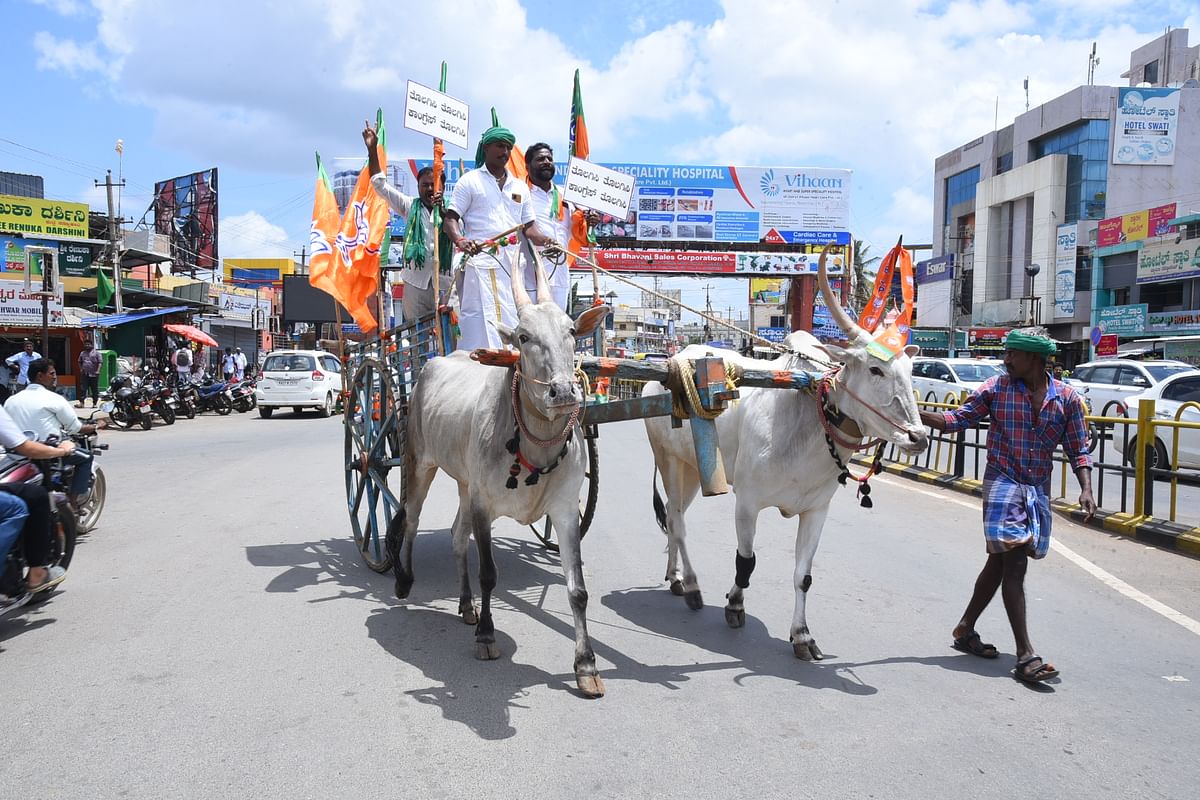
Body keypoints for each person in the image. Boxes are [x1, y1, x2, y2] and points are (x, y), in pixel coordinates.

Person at [919, 330, 1095, 685]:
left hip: (1036, 489)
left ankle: (965, 627)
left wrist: (1086, 488)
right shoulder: (996, 388)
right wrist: (911, 413)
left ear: (1034, 359)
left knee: (999, 562)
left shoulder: (1067, 399)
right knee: (1013, 561)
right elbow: (957, 420)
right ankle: (1026, 655)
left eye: (1013, 353)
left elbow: (1079, 448)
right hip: (1001, 482)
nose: (1007, 359)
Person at [442, 125, 554, 350]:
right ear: (486, 148)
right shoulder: (470, 181)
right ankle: (474, 366)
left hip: (511, 268)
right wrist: (461, 241)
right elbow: (450, 220)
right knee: (478, 320)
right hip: (479, 263)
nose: (504, 151)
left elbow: (529, 228)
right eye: (499, 146)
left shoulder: (520, 188)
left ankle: (509, 373)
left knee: (513, 318)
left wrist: (547, 241)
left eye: (508, 147)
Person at [363, 124, 447, 323]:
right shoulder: (410, 206)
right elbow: (379, 184)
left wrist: (443, 211)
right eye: (424, 185)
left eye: (433, 184)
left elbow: (460, 233)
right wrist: (372, 149)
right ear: (417, 187)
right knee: (418, 336)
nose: (429, 189)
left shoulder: (452, 210)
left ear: (442, 186)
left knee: (448, 331)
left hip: (445, 283)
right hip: (415, 283)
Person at [0, 403, 74, 599]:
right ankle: (37, 574)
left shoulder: (14, 400)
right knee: (25, 503)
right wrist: (62, 451)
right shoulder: (54, 400)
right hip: (37, 444)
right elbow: (25, 446)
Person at [4, 358, 99, 512]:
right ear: (40, 376)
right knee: (86, 457)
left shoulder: (11, 400)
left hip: (16, 454)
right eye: (52, 373)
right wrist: (94, 426)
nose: (55, 377)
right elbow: (74, 427)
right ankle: (73, 503)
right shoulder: (54, 399)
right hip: (47, 452)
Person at [524, 143, 574, 311]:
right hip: (530, 277)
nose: (546, 162)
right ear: (527, 165)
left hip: (560, 275)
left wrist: (590, 223)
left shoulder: (566, 197)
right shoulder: (521, 194)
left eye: (549, 159)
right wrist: (546, 241)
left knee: (558, 331)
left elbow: (579, 231)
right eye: (540, 159)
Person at [77, 339, 101, 408]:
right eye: (86, 344)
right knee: (83, 389)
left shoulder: (96, 353)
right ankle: (81, 403)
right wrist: (81, 369)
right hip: (85, 374)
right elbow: (79, 361)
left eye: (88, 344)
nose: (87, 346)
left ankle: (95, 403)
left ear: (92, 345)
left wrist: (98, 371)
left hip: (94, 374)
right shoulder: (82, 353)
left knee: (94, 389)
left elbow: (100, 362)